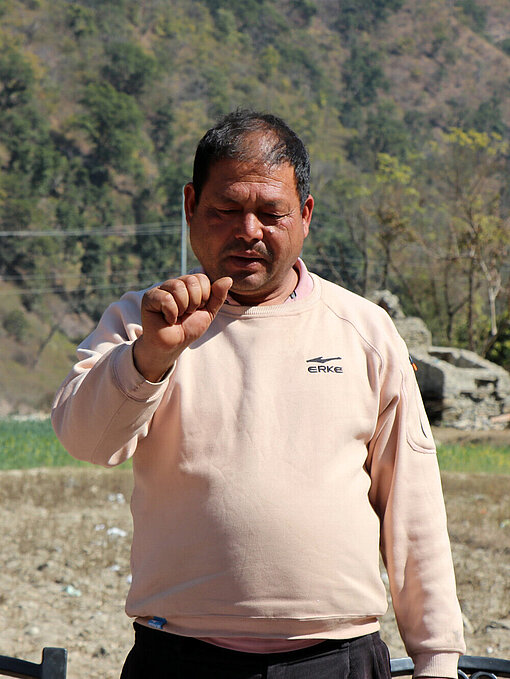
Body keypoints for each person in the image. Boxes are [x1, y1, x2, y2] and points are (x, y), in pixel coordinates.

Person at [52, 110, 465, 679]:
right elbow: (86, 440)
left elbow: (412, 506)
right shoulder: (142, 322)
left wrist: (437, 659)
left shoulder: (364, 331)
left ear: (306, 215)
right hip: (179, 657)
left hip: (338, 658)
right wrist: (151, 357)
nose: (248, 231)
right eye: (225, 210)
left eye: (270, 213)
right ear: (192, 207)